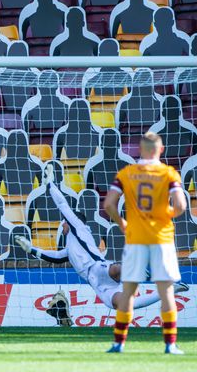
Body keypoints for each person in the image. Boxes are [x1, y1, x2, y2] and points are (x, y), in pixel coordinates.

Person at [15, 164, 188, 327]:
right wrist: (31, 249)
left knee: (115, 269)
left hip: (97, 266)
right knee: (125, 305)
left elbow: (63, 205)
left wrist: (50, 184)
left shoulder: (79, 228)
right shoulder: (68, 250)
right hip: (98, 285)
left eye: (64, 223)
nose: (63, 225)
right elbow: (54, 257)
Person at [103, 132, 187, 354]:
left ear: (140, 150)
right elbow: (180, 206)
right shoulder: (168, 173)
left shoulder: (127, 173)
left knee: (128, 292)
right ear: (160, 150)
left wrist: (123, 224)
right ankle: (170, 344)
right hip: (161, 239)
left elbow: (109, 204)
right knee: (166, 292)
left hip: (136, 239)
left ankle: (118, 343)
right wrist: (164, 214)